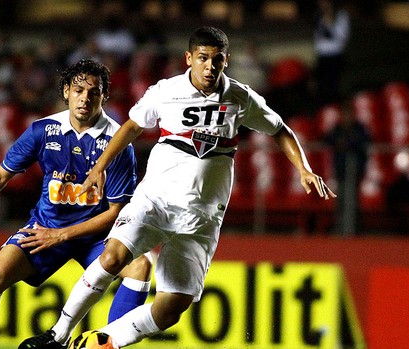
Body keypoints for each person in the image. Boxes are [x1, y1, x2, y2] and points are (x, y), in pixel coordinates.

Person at [20, 26, 336, 349]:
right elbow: (131, 126)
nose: (209, 67)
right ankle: (57, 334)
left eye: (216, 60)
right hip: (156, 201)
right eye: (202, 58)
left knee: (173, 307)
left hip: (201, 218)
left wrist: (305, 170)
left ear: (226, 61)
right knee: (113, 256)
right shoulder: (166, 91)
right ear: (189, 58)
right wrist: (99, 166)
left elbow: (280, 129)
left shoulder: (240, 98)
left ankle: (103, 341)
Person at [0, 59, 152, 349]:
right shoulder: (43, 131)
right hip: (46, 228)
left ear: (104, 96)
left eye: (94, 92)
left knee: (140, 267)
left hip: (95, 237)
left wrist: (62, 235)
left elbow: (115, 213)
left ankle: (108, 344)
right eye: (78, 90)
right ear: (65, 92)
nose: (85, 98)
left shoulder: (117, 143)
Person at [323, 102, 370, 235]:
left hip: (354, 172)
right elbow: (327, 139)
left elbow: (364, 142)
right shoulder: (338, 129)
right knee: (340, 202)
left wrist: (348, 143)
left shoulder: (359, 128)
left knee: (352, 203)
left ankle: (353, 232)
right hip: (340, 172)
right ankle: (340, 230)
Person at [313, 0, 350, 105]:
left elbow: (343, 37)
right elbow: (318, 38)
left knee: (335, 88)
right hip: (322, 57)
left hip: (335, 57)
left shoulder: (341, 16)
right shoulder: (318, 16)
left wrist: (330, 23)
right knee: (322, 89)